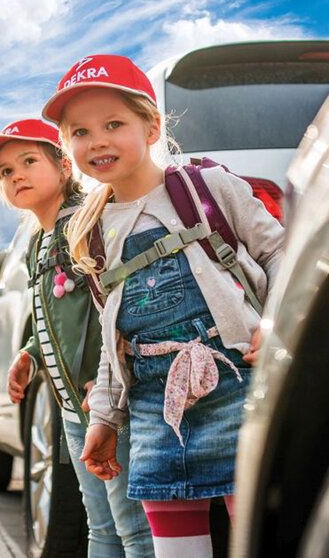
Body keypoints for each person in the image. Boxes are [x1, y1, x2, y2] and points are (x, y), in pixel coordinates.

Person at [43, 54, 285, 557]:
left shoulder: (206, 187)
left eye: (114, 124)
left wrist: (281, 321)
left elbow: (280, 251)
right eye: (80, 132)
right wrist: (105, 419)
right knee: (176, 549)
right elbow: (116, 342)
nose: (99, 140)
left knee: (257, 537)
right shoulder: (90, 229)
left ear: (151, 127)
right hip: (155, 409)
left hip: (238, 383)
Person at [0, 118, 154, 558]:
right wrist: (31, 355)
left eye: (29, 161)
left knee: (132, 527)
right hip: (73, 408)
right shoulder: (39, 240)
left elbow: (111, 307)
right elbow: (55, 314)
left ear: (64, 166)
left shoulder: (86, 224)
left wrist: (105, 382)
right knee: (101, 526)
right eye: (6, 172)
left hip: (107, 403)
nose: (16, 176)